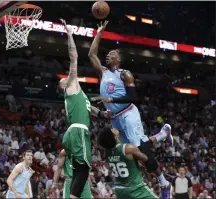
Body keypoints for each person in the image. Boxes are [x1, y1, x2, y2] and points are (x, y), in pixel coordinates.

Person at [88, 20, 172, 198]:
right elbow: (91, 54)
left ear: (118, 59)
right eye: (107, 54)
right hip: (115, 117)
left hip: (128, 113)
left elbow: (133, 97)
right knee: (128, 149)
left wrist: (110, 98)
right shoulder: (103, 72)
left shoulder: (124, 74)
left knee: (138, 148)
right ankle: (163, 134)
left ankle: (164, 183)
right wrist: (99, 33)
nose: (108, 56)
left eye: (111, 54)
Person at [58, 18, 102, 198]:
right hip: (77, 131)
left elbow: (92, 110)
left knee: (79, 173)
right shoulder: (71, 87)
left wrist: (104, 113)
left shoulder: (81, 95)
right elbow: (73, 57)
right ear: (64, 86)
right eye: (63, 80)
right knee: (84, 170)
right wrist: (69, 33)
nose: (65, 78)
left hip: (74, 134)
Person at [98, 127, 159, 199]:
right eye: (112, 130)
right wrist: (149, 143)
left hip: (119, 190)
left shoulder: (106, 153)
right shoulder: (128, 148)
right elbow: (146, 159)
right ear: (114, 137)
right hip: (135, 188)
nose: (114, 129)